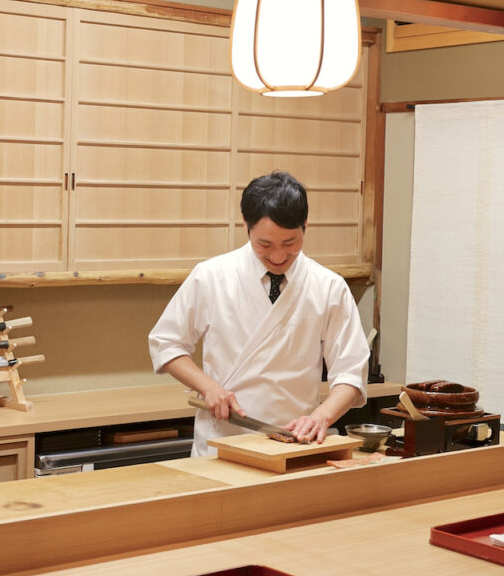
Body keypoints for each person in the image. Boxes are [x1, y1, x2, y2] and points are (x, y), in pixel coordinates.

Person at [148, 171, 369, 456]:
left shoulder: (328, 287)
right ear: (246, 227)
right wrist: (208, 387)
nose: (278, 257)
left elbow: (351, 374)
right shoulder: (212, 276)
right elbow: (166, 343)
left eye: (290, 244)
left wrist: (320, 417)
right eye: (265, 245)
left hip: (293, 442)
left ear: (305, 226)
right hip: (223, 441)